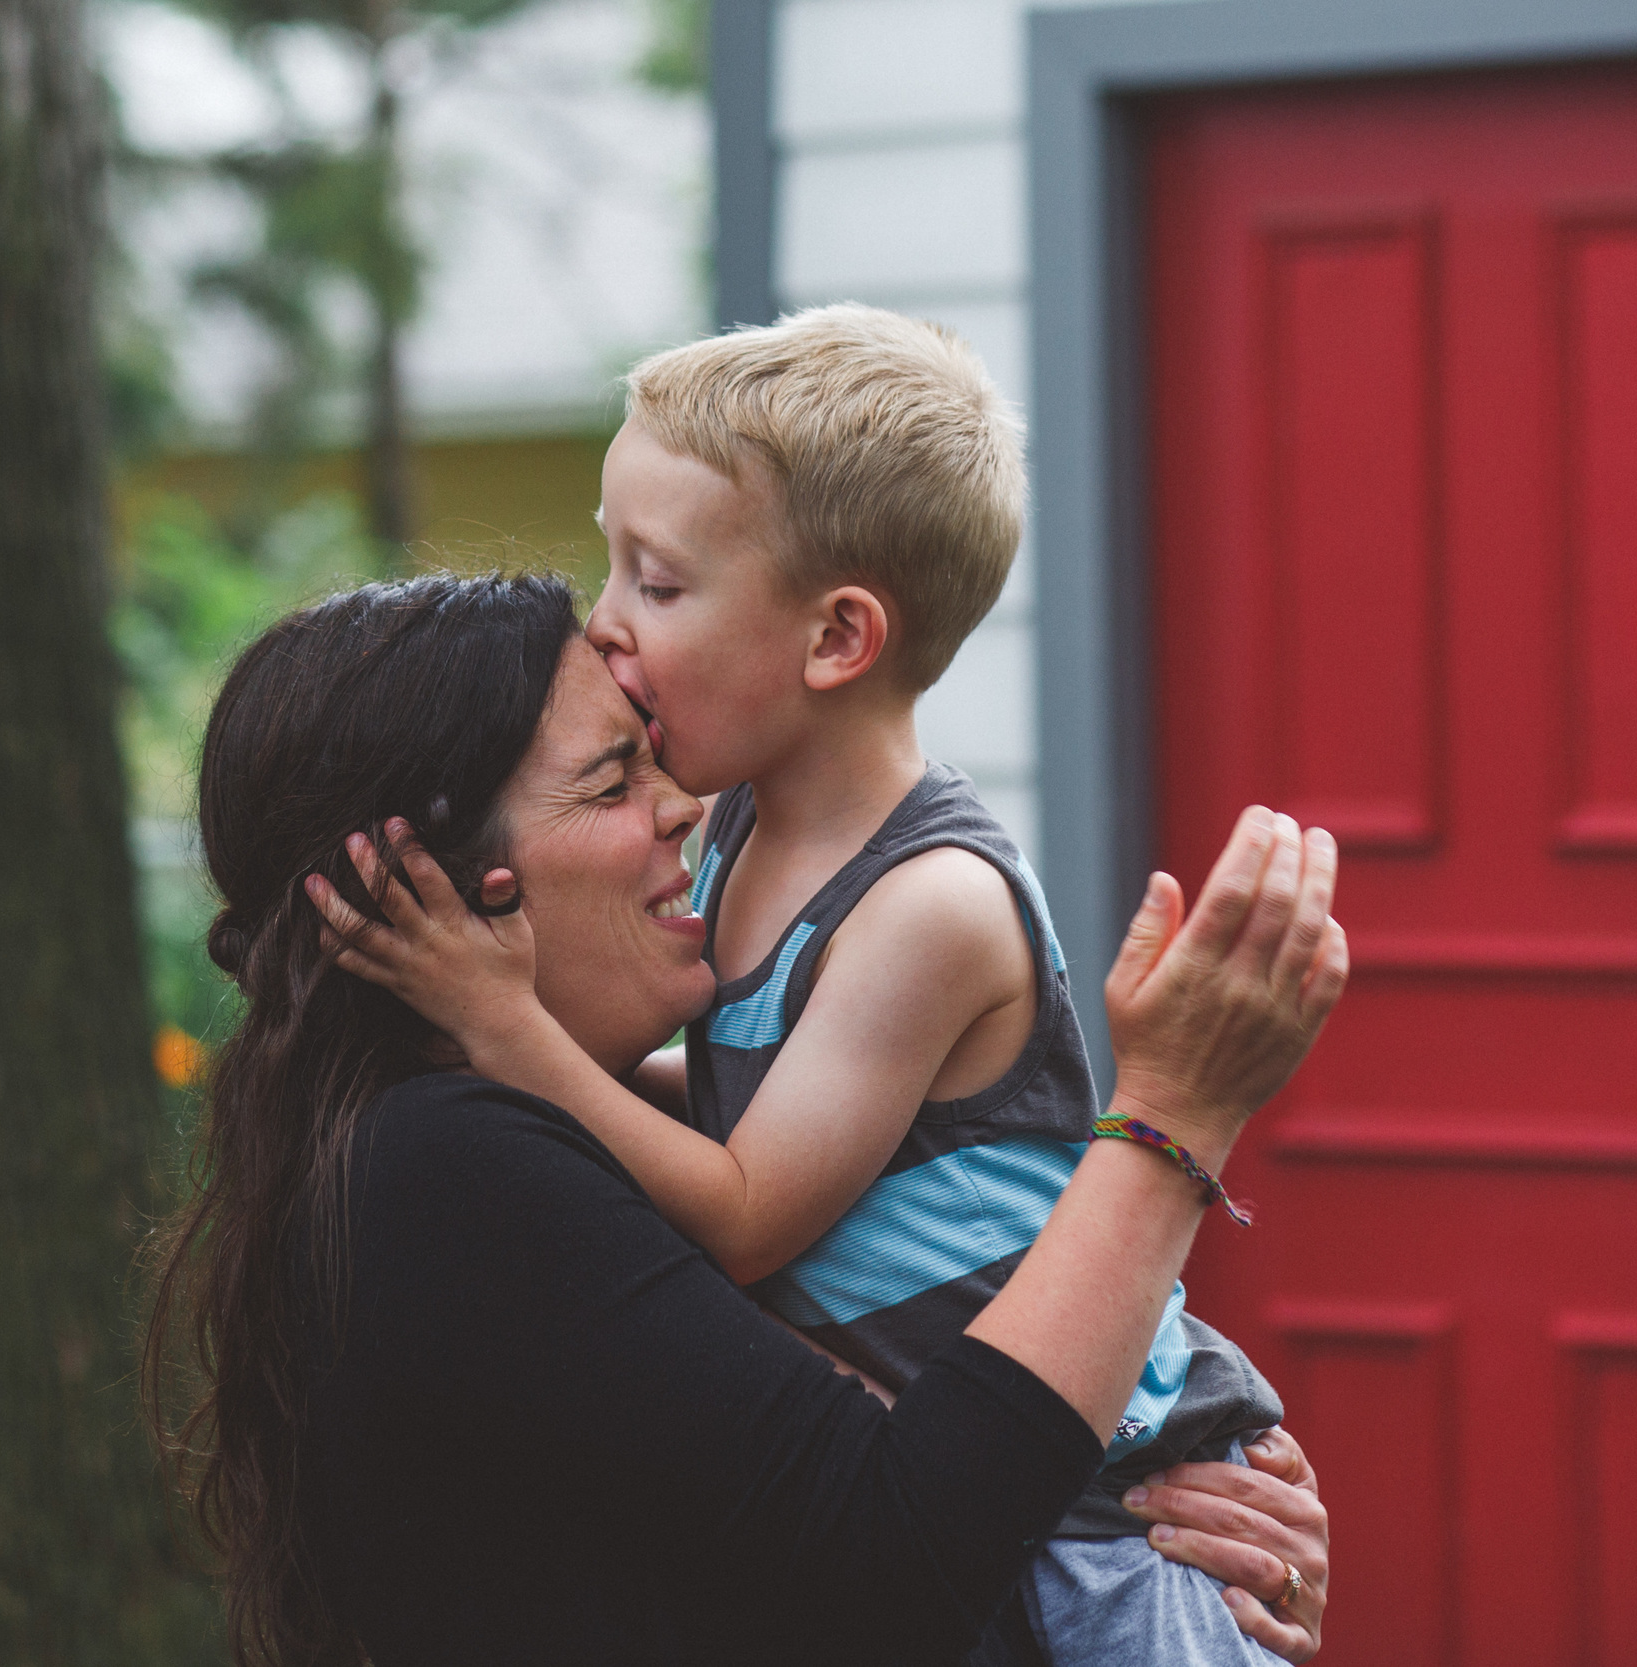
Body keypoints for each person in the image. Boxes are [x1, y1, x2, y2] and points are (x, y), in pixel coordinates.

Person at [311, 306, 1297, 1667]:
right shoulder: (738, 830)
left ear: (837, 638)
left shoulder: (926, 904)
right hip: (986, 1454)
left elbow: (749, 1209)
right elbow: (742, 1091)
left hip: (1099, 1505)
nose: (606, 625)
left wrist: (504, 1024)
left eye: (654, 581)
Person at [141, 571, 1346, 1667]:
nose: (684, 807)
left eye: (655, 758)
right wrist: (1170, 1117)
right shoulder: (444, 1164)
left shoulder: (529, 1143)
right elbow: (897, 1552)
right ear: (440, 887)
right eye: (613, 779)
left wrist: (1184, 1538)